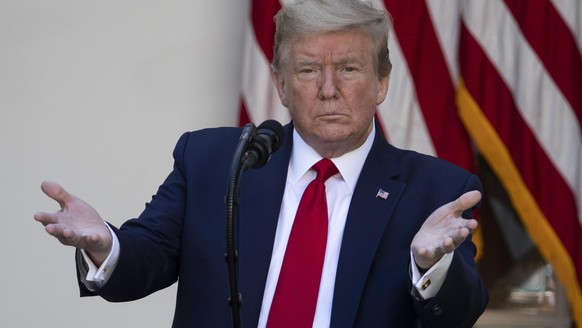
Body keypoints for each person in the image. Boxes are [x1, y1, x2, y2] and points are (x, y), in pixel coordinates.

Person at [35, 0, 488, 327]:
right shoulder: (214, 162)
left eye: (349, 69)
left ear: (381, 83)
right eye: (309, 70)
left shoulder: (434, 189)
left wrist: (431, 266)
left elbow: (462, 312)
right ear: (282, 84)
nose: (328, 89)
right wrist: (103, 245)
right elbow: (144, 260)